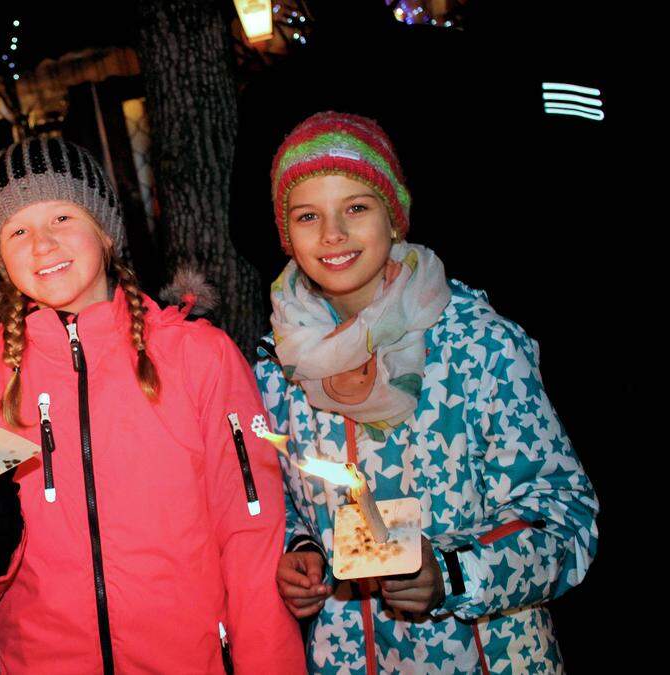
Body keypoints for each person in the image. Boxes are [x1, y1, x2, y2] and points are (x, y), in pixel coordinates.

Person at [0, 137, 304, 673]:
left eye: (61, 217)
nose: (43, 245)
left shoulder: (199, 358)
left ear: (104, 227)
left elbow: (251, 541)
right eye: (18, 231)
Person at [254, 112, 597, 673]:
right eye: (308, 215)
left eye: (356, 208)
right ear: (286, 234)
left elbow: (565, 516)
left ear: (394, 218)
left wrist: (455, 571)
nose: (332, 234)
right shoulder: (276, 370)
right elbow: (283, 503)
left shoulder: (478, 345)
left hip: (488, 655)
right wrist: (300, 553)